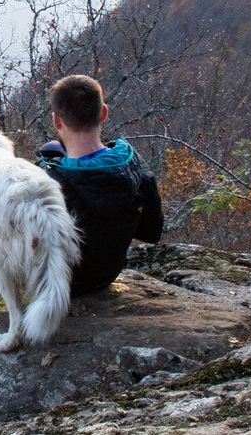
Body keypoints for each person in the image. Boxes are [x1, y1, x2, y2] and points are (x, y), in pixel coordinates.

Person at [37, 74, 164, 295]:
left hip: (56, 287)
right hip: (105, 276)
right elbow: (152, 232)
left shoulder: (49, 185)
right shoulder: (136, 168)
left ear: (57, 120)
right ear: (103, 112)